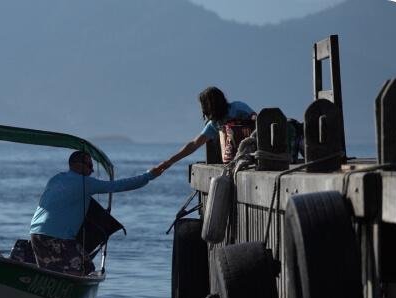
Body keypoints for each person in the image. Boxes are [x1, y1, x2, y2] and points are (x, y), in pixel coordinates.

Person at [29, 151, 161, 275]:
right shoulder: (85, 182)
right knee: (85, 268)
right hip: (57, 237)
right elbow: (119, 185)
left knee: (51, 271)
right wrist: (148, 176)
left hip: (36, 234)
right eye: (89, 165)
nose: (92, 170)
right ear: (76, 165)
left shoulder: (56, 178)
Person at [155, 86, 256, 174]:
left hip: (253, 152)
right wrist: (169, 162)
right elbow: (193, 144)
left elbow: (256, 119)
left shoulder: (237, 107)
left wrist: (251, 119)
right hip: (236, 160)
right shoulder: (214, 124)